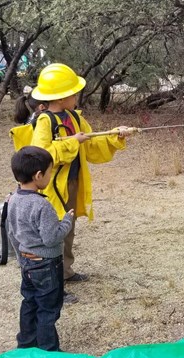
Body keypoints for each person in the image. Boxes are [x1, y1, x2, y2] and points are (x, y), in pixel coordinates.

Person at [30, 63, 132, 303]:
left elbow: (93, 144)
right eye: (74, 93)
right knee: (52, 235)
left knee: (68, 228)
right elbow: (40, 153)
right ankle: (54, 287)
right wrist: (72, 142)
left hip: (73, 183)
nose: (77, 96)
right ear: (63, 97)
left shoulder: (74, 117)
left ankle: (65, 272)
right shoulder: (45, 121)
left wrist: (116, 135)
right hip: (52, 190)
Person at [6, 146, 75, 351]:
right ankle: (48, 350)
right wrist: (67, 221)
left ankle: (26, 345)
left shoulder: (13, 200)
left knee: (29, 303)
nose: (50, 176)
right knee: (48, 309)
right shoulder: (42, 206)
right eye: (50, 171)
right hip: (46, 265)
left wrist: (21, 260)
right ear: (38, 175)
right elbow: (51, 238)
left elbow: (12, 233)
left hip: (27, 263)